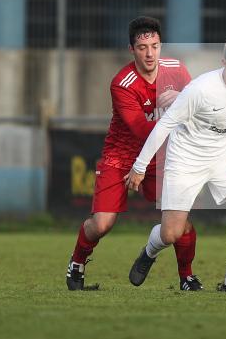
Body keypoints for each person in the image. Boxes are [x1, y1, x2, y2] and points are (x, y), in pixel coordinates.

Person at [65, 16, 203, 292]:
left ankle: (186, 277)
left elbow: (197, 109)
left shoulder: (177, 71)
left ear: (161, 45)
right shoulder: (123, 83)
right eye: (142, 48)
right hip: (121, 156)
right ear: (132, 49)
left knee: (179, 224)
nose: (150, 53)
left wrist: (184, 105)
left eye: (154, 45)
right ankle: (77, 264)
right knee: (102, 224)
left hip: (161, 157)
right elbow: (141, 129)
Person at [124, 35, 226, 293]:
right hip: (186, 159)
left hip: (223, 156)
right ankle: (149, 252)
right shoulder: (200, 90)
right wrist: (139, 166)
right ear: (224, 63)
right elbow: (164, 125)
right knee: (171, 234)